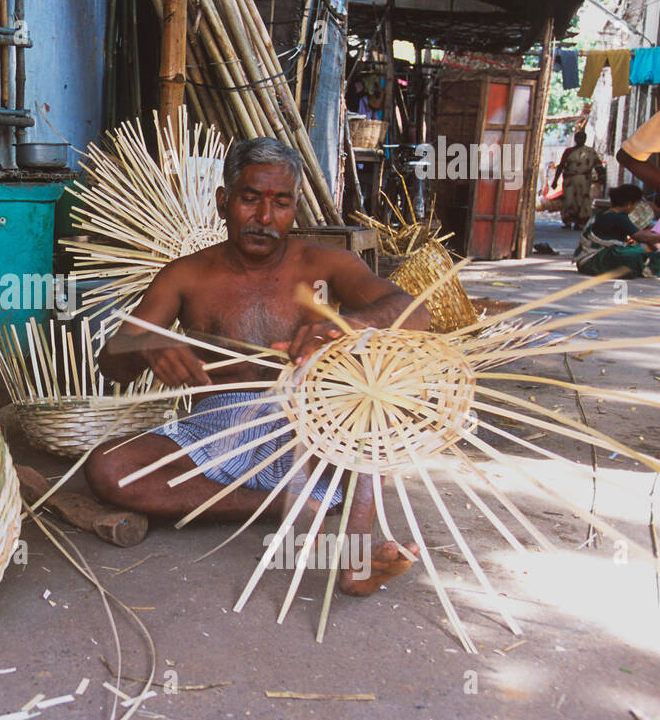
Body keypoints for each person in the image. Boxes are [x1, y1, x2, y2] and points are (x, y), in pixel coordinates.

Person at [83, 138, 431, 596]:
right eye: (250, 199)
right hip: (214, 432)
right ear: (223, 202)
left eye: (281, 203)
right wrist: (145, 345)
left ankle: (356, 559)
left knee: (366, 406)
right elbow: (112, 364)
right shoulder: (185, 275)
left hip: (312, 429)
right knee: (109, 469)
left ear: (296, 207)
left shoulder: (325, 264)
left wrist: (351, 325)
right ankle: (279, 504)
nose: (265, 218)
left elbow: (413, 313)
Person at [573, 182, 660, 278]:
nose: (636, 207)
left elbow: (644, 236)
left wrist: (657, 251)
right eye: (636, 203)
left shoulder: (604, 212)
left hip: (585, 261)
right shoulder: (618, 217)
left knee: (644, 253)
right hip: (593, 260)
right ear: (629, 204)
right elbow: (642, 237)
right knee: (637, 253)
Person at [551, 131, 604, 230]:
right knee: (568, 200)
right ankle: (568, 221)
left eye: (582, 138)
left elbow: (598, 166)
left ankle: (579, 223)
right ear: (575, 139)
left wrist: (602, 178)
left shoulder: (590, 152)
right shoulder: (568, 151)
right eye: (578, 138)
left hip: (584, 180)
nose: (580, 140)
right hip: (569, 180)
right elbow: (561, 166)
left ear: (585, 139)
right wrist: (555, 181)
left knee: (582, 200)